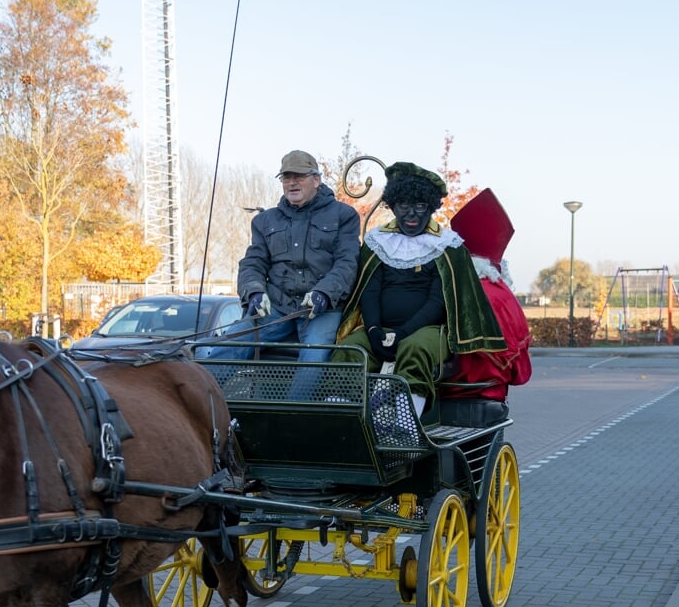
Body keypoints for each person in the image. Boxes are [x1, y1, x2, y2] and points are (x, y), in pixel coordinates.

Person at [333, 162, 506, 417]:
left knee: (414, 349)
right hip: (380, 328)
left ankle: (404, 423)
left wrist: (402, 333)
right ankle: (343, 419)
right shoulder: (377, 241)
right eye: (404, 205)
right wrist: (373, 331)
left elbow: (437, 302)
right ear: (393, 206)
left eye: (420, 206)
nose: (411, 214)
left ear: (431, 207)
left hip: (427, 330)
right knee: (351, 350)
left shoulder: (447, 245)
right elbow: (369, 291)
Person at [199, 150, 361, 362]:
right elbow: (252, 263)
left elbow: (347, 263)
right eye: (286, 177)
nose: (292, 183)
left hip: (321, 310)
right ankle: (208, 395)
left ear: (316, 180)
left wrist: (324, 293)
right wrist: (254, 292)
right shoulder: (265, 221)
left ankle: (296, 397)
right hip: (276, 307)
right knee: (231, 344)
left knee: (315, 357)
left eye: (299, 176)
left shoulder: (344, 216)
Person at [439, 188, 533, 402]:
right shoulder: (503, 295)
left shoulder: (449, 287)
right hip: (488, 394)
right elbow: (519, 371)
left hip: (444, 392)